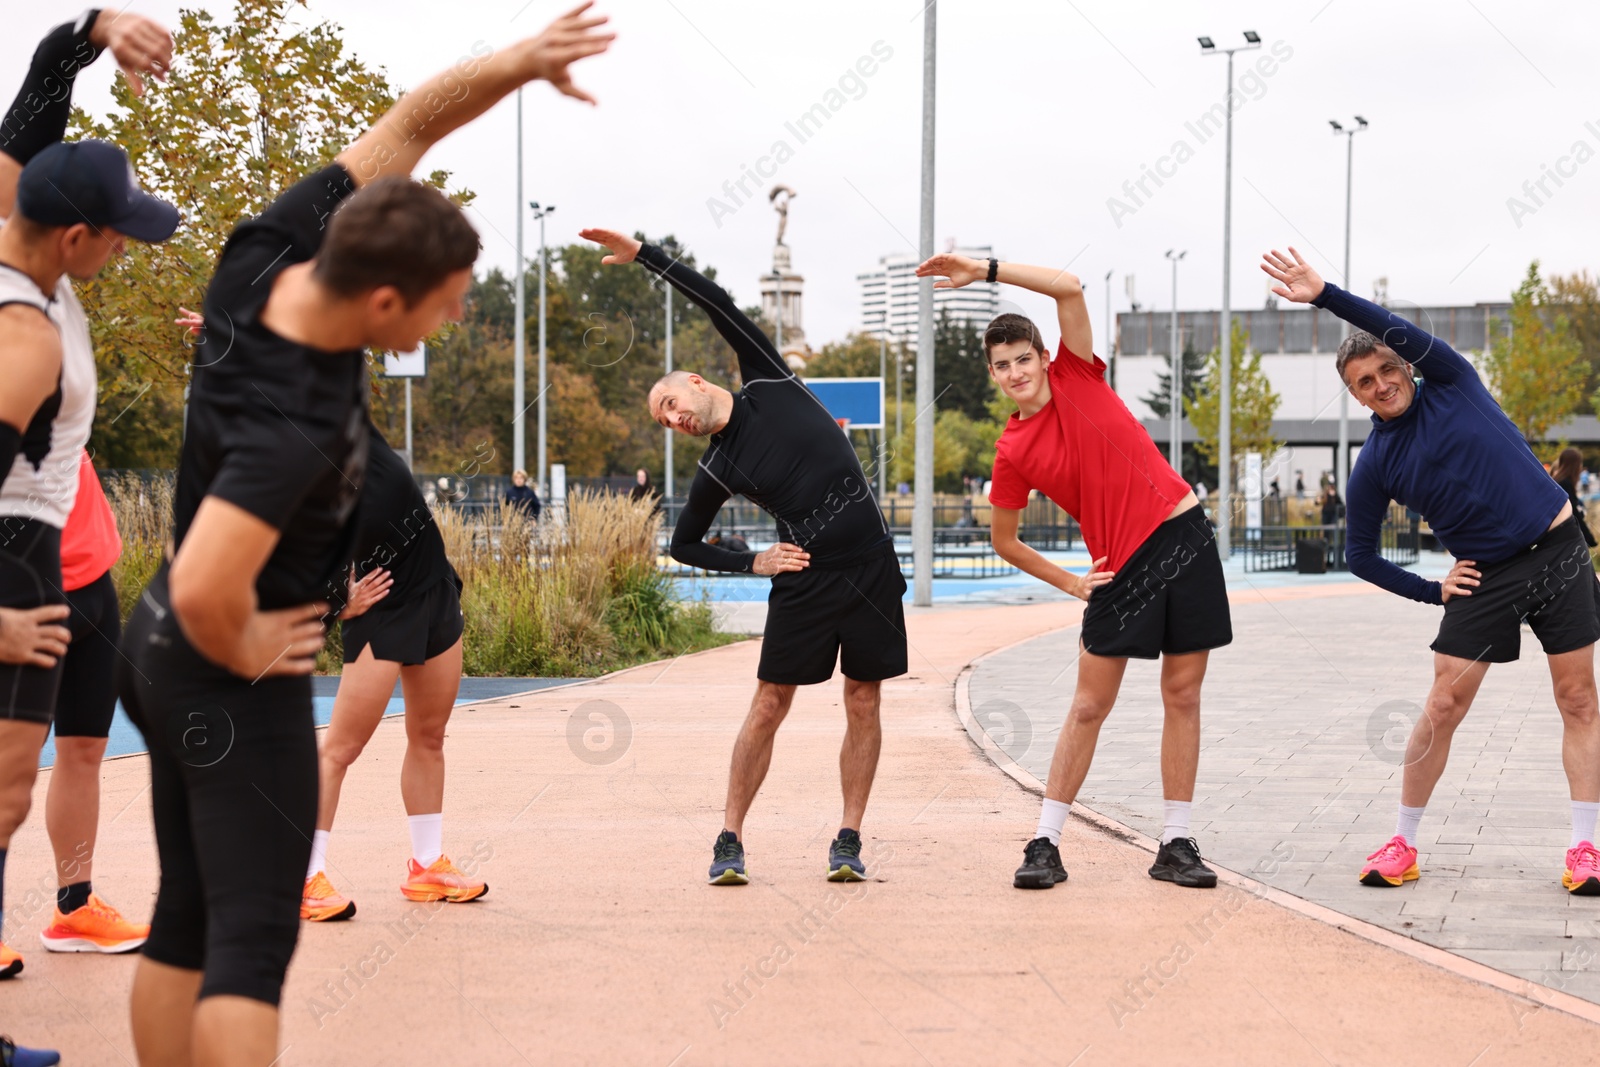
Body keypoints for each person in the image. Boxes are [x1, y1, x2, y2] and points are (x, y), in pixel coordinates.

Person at [114, 11, 611, 1064]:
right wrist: (254, 644)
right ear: (385, 296)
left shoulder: (264, 254)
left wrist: (517, 66)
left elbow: (412, 123)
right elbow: (213, 582)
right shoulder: (293, 425)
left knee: (191, 911)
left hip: (155, 646)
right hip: (220, 668)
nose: (447, 324)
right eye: (443, 307)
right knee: (250, 939)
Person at [1263, 246, 1600, 895]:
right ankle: (1403, 841)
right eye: (1365, 381)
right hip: (1485, 577)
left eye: (1388, 368)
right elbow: (1358, 553)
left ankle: (1586, 848)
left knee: (1579, 698)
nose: (1382, 383)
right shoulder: (1375, 464)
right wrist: (1431, 589)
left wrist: (1325, 293)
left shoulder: (1451, 380)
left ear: (1405, 365)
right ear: (1355, 393)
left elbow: (1392, 323)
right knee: (1443, 702)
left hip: (1558, 551)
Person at [582, 225, 905, 886]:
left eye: (671, 403)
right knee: (768, 704)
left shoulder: (767, 379)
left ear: (696, 383)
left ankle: (848, 836)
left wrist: (645, 256)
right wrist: (753, 561)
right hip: (806, 578)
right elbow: (682, 542)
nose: (672, 418)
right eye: (663, 419)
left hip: (870, 565)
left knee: (864, 701)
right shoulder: (718, 467)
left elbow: (715, 299)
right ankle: (729, 838)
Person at [915, 250, 1230, 893]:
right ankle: (1046, 841)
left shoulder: (1079, 375)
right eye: (1001, 366)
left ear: (1040, 357)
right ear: (992, 374)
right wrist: (1071, 582)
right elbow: (1005, 540)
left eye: (1023, 359)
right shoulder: (1012, 450)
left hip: (1186, 534)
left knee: (1184, 694)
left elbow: (1069, 287)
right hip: (1121, 569)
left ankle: (1175, 842)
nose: (1014, 373)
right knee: (1089, 704)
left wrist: (985, 270)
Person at [0, 12, 177, 1066]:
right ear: (75, 237)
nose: (125, 244)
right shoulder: (22, 331)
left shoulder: (34, 253)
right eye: (118, 232)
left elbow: (35, 127)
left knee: (13, 789)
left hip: (48, 548)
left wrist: (92, 30)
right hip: (16, 554)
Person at [301, 422, 484, 923]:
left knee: (430, 735)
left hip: (433, 589)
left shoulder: (347, 410)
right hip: (380, 603)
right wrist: (335, 602)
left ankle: (427, 865)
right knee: (341, 749)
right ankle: (301, 877)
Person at [39, 451, 150, 954]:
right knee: (6, 765)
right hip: (26, 594)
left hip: (93, 587)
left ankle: (74, 908)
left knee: (83, 752)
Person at [1551, 447, 1596, 549]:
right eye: (1580, 463)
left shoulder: (1557, 481)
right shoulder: (1565, 484)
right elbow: (1574, 514)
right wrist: (1589, 538)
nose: (1581, 467)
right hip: (1562, 540)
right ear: (1575, 465)